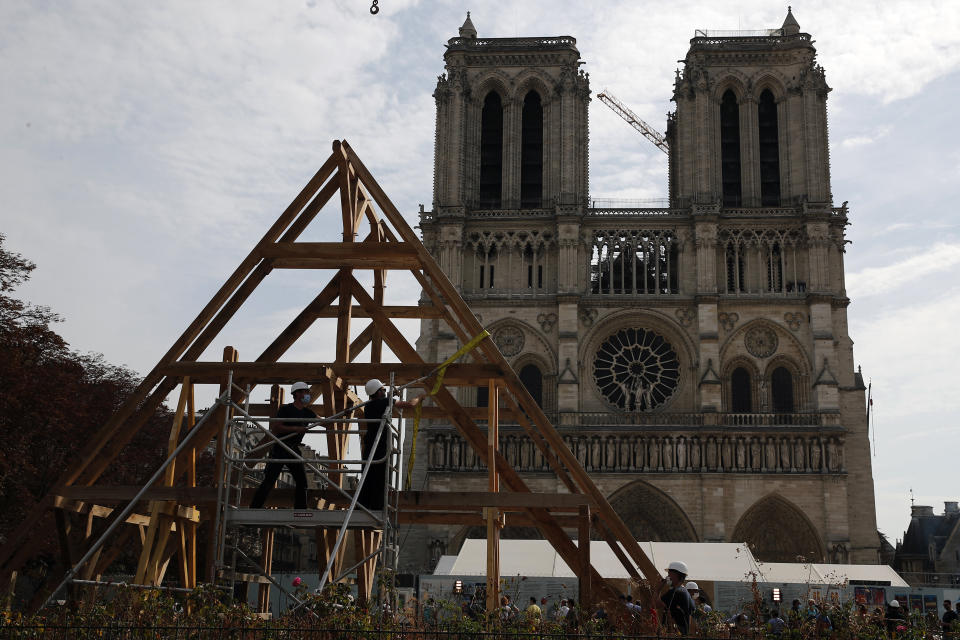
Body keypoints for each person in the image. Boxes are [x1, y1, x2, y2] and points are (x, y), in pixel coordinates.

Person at [358, 379, 424, 509]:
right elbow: (410, 405)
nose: (384, 391)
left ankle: (363, 505)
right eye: (382, 389)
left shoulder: (369, 406)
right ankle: (376, 507)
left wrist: (390, 396)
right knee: (380, 477)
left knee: (368, 477)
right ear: (378, 392)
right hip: (380, 445)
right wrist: (419, 397)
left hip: (370, 444)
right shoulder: (383, 402)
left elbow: (383, 402)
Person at [250, 381, 315, 509]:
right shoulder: (286, 409)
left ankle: (300, 510)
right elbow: (277, 427)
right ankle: (255, 507)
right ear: (297, 394)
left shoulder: (308, 413)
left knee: (302, 481)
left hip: (293, 448)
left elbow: (324, 422)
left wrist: (343, 416)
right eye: (306, 392)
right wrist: (296, 428)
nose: (308, 395)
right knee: (269, 480)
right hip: (281, 446)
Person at [659, 560, 696, 635]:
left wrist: (658, 588)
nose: (667, 577)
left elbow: (654, 604)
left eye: (669, 574)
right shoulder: (685, 592)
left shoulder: (676, 592)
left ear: (676, 575)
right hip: (682, 634)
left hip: (674, 634)